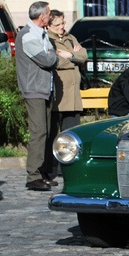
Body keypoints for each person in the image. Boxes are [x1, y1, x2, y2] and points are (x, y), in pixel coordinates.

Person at [17, 1, 70, 191]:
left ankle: (42, 172)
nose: (50, 16)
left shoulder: (41, 34)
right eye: (48, 13)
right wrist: (53, 55)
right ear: (42, 17)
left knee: (47, 132)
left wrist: (51, 54)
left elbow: (49, 55)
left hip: (45, 88)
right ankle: (33, 175)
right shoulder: (28, 35)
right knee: (39, 132)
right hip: (34, 89)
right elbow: (47, 59)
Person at [47, 10, 89, 179]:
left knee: (72, 133)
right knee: (55, 134)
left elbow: (84, 55)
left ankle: (68, 166)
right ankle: (52, 166)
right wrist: (74, 58)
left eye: (63, 23)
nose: (61, 27)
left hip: (73, 95)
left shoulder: (70, 38)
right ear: (49, 25)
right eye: (57, 25)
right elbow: (54, 60)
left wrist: (70, 55)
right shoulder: (49, 40)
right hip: (59, 93)